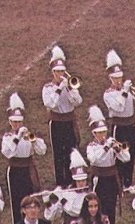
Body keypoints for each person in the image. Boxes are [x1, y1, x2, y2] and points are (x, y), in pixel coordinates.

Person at [102, 49, 135, 188]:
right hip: (119, 127)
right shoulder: (108, 94)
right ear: (110, 78)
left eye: (120, 78)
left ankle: (128, 183)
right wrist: (124, 92)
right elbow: (119, 107)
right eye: (115, 78)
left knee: (131, 153)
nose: (118, 81)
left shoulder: (126, 90)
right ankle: (119, 182)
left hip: (132, 126)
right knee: (120, 153)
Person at [0, 93, 47, 224]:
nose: (17, 124)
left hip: (28, 170)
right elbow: (7, 152)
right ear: (10, 122)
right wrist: (17, 137)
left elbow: (42, 151)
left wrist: (35, 140)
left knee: (31, 201)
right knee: (17, 203)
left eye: (19, 122)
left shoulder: (28, 134)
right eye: (14, 122)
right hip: (15, 171)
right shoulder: (8, 136)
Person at [42, 46, 83, 187]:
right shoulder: (47, 88)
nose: (60, 74)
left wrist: (71, 89)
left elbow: (78, 102)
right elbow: (50, 104)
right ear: (53, 72)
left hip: (69, 122)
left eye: (61, 71)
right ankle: (61, 182)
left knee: (72, 151)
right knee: (58, 154)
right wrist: (60, 89)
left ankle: (73, 180)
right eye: (57, 71)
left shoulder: (69, 85)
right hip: (56, 123)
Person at [85, 105, 131, 224]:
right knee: (98, 208)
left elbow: (127, 158)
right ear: (94, 133)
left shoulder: (111, 143)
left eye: (104, 132)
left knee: (111, 209)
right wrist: (106, 148)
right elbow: (94, 160)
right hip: (99, 180)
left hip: (111, 179)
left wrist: (118, 150)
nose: (102, 135)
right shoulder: (91, 147)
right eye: (99, 133)